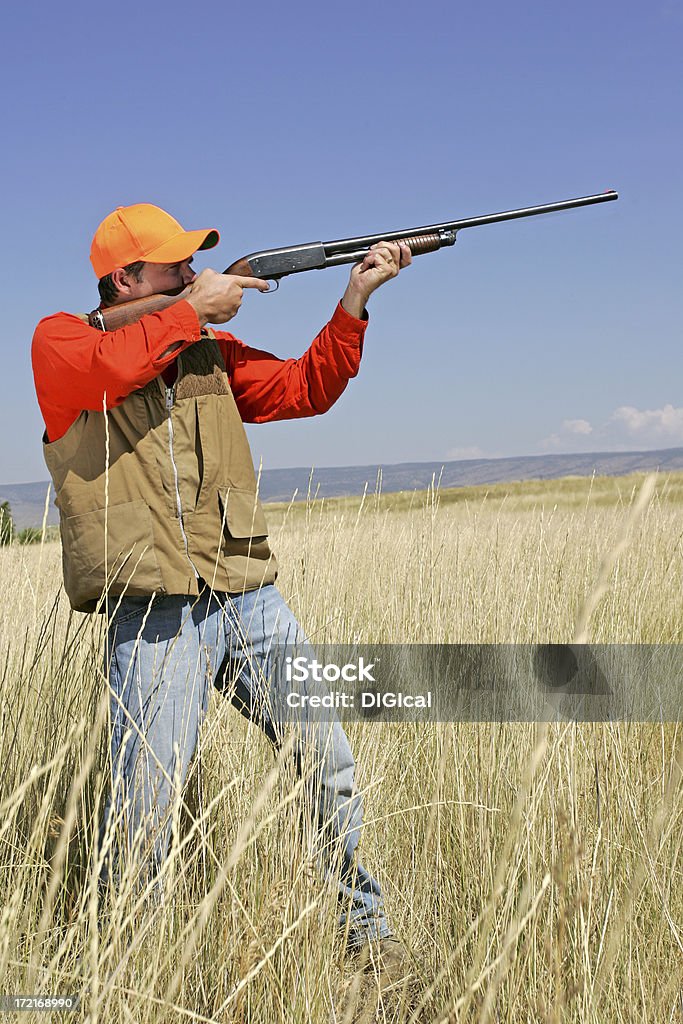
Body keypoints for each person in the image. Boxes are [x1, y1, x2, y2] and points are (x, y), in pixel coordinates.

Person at [31, 202, 411, 983]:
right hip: (152, 606)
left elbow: (306, 389)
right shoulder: (61, 341)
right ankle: (132, 966)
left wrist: (353, 303)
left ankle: (363, 935)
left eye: (192, 265)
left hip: (246, 594)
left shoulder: (209, 349)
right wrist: (188, 310)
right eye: (173, 266)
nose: (193, 273)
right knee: (147, 805)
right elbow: (112, 368)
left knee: (326, 762)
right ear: (125, 278)